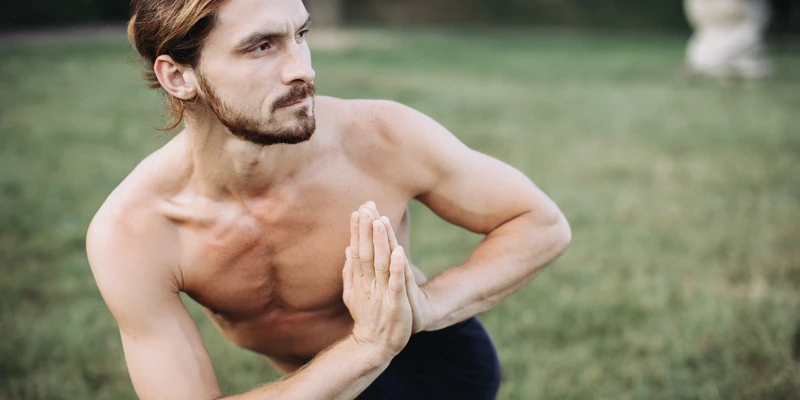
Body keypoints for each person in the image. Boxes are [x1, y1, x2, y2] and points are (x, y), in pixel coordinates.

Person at [85, 0, 572, 398]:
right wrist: (364, 347)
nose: (302, 69)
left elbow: (540, 222)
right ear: (178, 76)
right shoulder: (133, 231)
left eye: (301, 34)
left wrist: (428, 306)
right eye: (261, 47)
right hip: (320, 381)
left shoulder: (383, 137)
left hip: (429, 370)